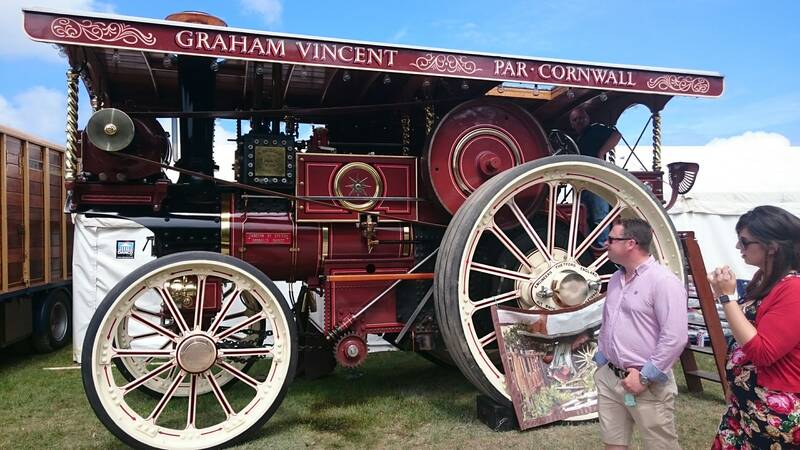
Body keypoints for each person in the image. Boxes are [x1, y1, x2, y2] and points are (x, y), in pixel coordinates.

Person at [709, 205, 800, 449]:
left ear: (772, 247)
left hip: (773, 412)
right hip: (745, 403)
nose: (738, 247)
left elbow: (763, 352)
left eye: (745, 241)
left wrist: (727, 298)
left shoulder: (794, 290)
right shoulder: (764, 280)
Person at [593, 218, 688, 450]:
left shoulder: (663, 282)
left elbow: (675, 337)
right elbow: (610, 321)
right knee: (613, 444)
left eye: (612, 239)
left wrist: (645, 376)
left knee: (660, 446)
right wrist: (602, 359)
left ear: (631, 244)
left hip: (646, 383)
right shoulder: (616, 278)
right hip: (611, 378)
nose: (607, 243)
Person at [569, 107, 621, 249]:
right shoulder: (576, 139)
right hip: (581, 183)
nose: (579, 121)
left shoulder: (595, 129)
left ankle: (603, 247)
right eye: (575, 120)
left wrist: (601, 152)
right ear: (572, 124)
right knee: (584, 216)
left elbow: (616, 135)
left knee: (600, 216)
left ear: (587, 119)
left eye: (581, 118)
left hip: (597, 179)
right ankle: (591, 246)